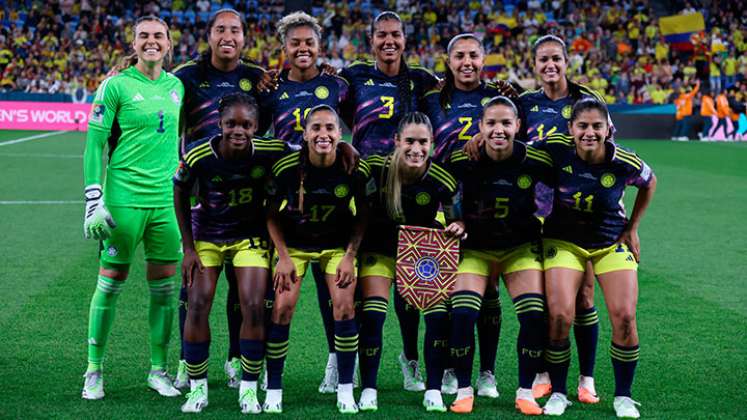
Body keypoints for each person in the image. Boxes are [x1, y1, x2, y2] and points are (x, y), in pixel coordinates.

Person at [81, 15, 183, 400]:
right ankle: (94, 369)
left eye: (158, 36)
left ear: (169, 44)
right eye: (144, 36)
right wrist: (94, 198)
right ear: (134, 42)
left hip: (164, 204)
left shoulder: (176, 87)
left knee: (163, 290)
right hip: (123, 201)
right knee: (109, 284)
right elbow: (94, 145)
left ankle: (157, 371)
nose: (151, 42)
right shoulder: (115, 86)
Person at [338, 11, 440, 391]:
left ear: (405, 39)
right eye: (381, 35)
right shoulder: (354, 76)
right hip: (367, 190)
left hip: (414, 190)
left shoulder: (422, 80)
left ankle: (411, 359)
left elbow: (449, 109)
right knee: (358, 285)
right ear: (372, 40)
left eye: (395, 35)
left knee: (411, 285)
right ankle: (341, 360)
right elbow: (335, 107)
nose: (389, 41)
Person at [172, 8, 270, 389]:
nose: (227, 36)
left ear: (245, 38)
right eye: (220, 30)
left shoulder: (256, 79)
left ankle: (234, 358)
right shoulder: (187, 76)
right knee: (193, 288)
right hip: (200, 196)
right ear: (209, 35)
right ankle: (187, 361)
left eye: (235, 30)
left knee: (241, 289)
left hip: (245, 199)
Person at [540, 98, 656, 418]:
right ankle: (559, 392)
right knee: (561, 315)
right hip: (563, 243)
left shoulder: (623, 161)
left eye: (597, 126)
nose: (590, 132)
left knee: (624, 317)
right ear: (571, 129)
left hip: (609, 242)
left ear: (608, 129)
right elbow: (517, 151)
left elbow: (650, 182)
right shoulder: (555, 149)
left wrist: (632, 227)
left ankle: (623, 395)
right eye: (583, 126)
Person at [174, 93, 287, 413]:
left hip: (248, 236)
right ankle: (197, 389)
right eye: (231, 124)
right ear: (219, 123)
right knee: (197, 302)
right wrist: (188, 248)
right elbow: (180, 190)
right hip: (207, 236)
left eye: (247, 124)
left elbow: (305, 151)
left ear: (257, 126)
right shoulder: (198, 155)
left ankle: (248, 390)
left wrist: (346, 147)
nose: (238, 130)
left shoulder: (270, 149)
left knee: (253, 305)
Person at [259, 11, 352, 393]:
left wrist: (346, 147)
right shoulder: (271, 88)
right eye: (295, 43)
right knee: (277, 289)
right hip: (286, 199)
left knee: (332, 291)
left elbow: (351, 127)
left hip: (329, 197)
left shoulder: (337, 86)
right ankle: (264, 366)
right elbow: (257, 131)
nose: (302, 48)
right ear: (284, 48)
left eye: (309, 42)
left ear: (319, 47)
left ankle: (335, 362)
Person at [422, 32, 518, 399]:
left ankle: (488, 372)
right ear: (448, 61)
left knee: (489, 284)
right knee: (447, 287)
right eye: (459, 55)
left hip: (484, 201)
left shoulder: (498, 99)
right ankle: (449, 366)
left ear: (484, 59)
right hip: (441, 201)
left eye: (473, 55)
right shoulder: (432, 97)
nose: (467, 62)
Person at [263, 105, 372, 414]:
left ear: (340, 134)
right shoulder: (286, 167)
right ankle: (273, 388)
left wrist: (351, 256)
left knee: (344, 306)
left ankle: (346, 388)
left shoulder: (353, 167)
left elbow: (363, 214)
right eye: (316, 129)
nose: (323, 134)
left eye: (329, 129)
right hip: (294, 246)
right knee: (282, 309)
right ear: (306, 134)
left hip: (337, 245)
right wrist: (282, 256)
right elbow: (270, 214)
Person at [446, 96, 548, 415]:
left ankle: (524, 392)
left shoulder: (536, 159)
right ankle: (464, 390)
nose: (499, 129)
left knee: (533, 314)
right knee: (462, 313)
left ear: (518, 125)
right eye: (491, 123)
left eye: (506, 123)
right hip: (475, 248)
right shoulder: (463, 160)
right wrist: (456, 218)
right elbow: (441, 190)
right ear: (480, 127)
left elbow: (567, 186)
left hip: (519, 249)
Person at [357, 112, 464, 412]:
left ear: (432, 143)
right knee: (374, 316)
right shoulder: (375, 169)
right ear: (396, 142)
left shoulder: (442, 178)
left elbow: (457, 220)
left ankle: (433, 389)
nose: (416, 149)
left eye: (423, 142)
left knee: (437, 317)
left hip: (420, 255)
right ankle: (368, 388)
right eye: (409, 141)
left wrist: (457, 227)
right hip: (379, 252)